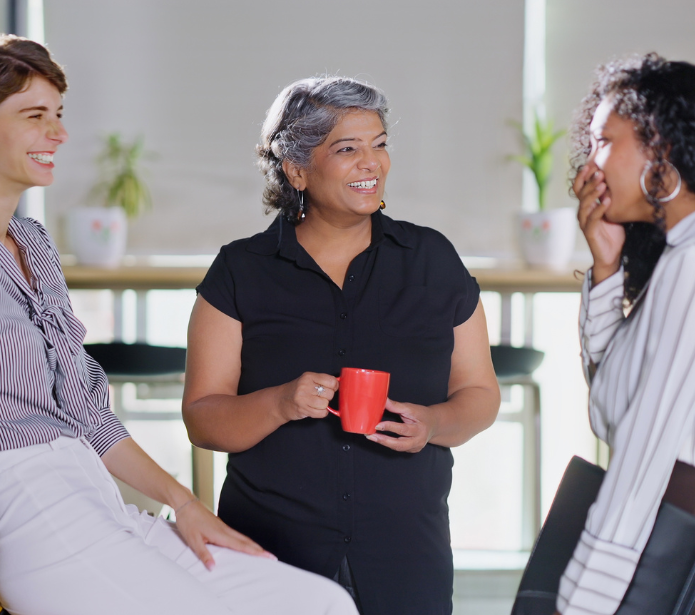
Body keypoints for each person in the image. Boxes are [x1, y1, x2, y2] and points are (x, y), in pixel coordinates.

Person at [0, 34, 356, 615]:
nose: (59, 133)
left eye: (58, 115)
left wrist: (187, 506)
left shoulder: (33, 245)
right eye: (34, 116)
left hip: (109, 514)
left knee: (318, 603)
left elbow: (91, 419)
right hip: (51, 536)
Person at [182, 76, 501, 615]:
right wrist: (280, 403)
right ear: (297, 169)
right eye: (348, 149)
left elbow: (479, 392)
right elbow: (203, 419)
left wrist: (433, 426)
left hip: (406, 551)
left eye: (379, 145)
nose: (371, 163)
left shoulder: (432, 259)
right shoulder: (240, 270)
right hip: (273, 554)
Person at [560, 53, 695, 615]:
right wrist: (607, 270)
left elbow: (645, 444)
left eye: (604, 142)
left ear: (662, 147)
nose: (591, 166)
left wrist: (581, 599)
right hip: (684, 522)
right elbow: (613, 396)